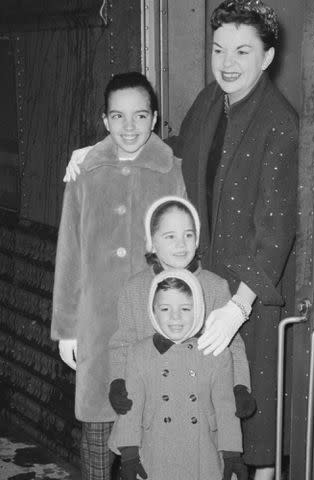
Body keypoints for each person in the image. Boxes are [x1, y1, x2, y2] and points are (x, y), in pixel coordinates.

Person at [64, 1, 298, 477]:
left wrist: (237, 307)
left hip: (245, 297)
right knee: (195, 428)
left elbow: (276, 230)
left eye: (242, 52)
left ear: (267, 57)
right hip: (198, 284)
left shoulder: (280, 123)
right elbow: (171, 152)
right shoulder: (212, 99)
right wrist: (106, 149)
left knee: (251, 429)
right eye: (218, 50)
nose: (227, 63)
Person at [51, 72, 186, 480]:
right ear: (105, 120)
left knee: (151, 436)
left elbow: (183, 251)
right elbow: (69, 252)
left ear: (155, 118)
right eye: (118, 116)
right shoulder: (85, 174)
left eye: (140, 115)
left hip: (152, 324)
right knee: (96, 435)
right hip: (97, 329)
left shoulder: (170, 172)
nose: (130, 127)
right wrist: (68, 329)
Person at [108, 196, 256, 425]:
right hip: (151, 410)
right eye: (170, 236)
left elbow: (232, 346)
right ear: (152, 243)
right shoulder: (135, 288)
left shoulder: (215, 287)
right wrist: (118, 381)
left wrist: (239, 386)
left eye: (188, 235)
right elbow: (123, 343)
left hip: (199, 411)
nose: (181, 244)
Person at [108, 269, 248, 480]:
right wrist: (129, 455)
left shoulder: (216, 352)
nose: (175, 317)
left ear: (199, 310)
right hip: (155, 449)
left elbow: (226, 407)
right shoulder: (138, 353)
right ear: (153, 312)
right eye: (165, 308)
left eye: (185, 308)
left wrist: (232, 454)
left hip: (203, 450)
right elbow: (131, 409)